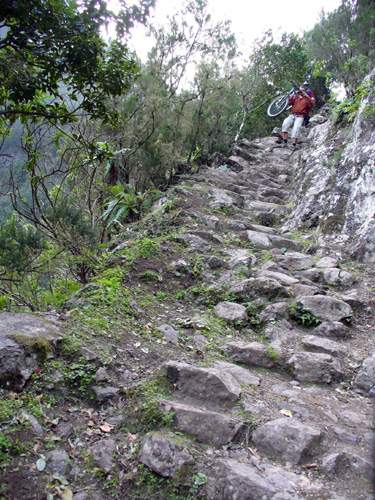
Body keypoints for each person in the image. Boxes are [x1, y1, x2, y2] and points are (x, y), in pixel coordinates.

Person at [276, 82, 315, 147]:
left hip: (300, 116)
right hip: (292, 114)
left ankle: (294, 145)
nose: (302, 91)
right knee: (285, 124)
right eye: (302, 88)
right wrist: (290, 96)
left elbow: (311, 104)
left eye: (304, 89)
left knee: (296, 129)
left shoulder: (307, 99)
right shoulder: (296, 97)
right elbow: (290, 102)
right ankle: (285, 142)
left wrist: (306, 96)